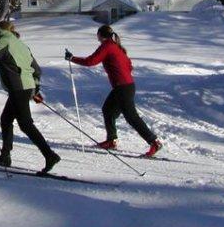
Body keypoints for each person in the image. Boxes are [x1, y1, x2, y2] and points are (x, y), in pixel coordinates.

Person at [0, 20, 61, 174]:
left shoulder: (5, 41)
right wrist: (35, 88)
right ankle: (5, 155)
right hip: (25, 87)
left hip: (18, 88)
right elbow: (36, 69)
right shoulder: (21, 44)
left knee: (25, 124)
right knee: (6, 119)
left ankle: (50, 155)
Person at [65, 25, 162, 157]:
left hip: (123, 87)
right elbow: (129, 65)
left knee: (132, 117)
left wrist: (72, 58)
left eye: (97, 34)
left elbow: (91, 61)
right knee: (108, 110)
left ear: (100, 35)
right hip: (124, 86)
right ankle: (111, 140)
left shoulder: (107, 46)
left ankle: (154, 142)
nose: (97, 37)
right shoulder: (115, 46)